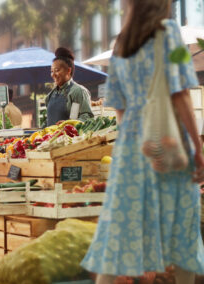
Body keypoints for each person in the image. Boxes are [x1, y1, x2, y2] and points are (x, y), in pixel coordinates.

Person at [80, 1, 204, 284]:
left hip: (130, 148)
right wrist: (197, 149)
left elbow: (119, 106)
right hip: (170, 141)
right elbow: (181, 93)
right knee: (182, 231)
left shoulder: (121, 43)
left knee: (118, 230)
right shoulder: (168, 32)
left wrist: (136, 141)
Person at [45, 47, 93, 126]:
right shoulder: (50, 96)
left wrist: (68, 123)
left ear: (68, 70)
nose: (53, 74)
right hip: (51, 137)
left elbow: (87, 117)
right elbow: (49, 121)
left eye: (57, 70)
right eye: (51, 71)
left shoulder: (78, 91)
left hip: (70, 137)